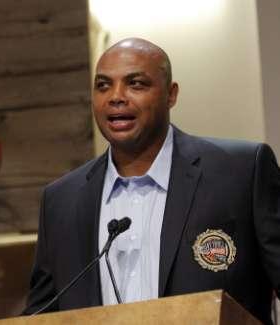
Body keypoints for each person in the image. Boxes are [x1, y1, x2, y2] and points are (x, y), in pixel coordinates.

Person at [22, 38, 280, 324]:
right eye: (103, 85)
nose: (116, 96)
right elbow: (40, 317)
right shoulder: (61, 200)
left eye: (136, 84)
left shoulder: (241, 171)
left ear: (171, 95)